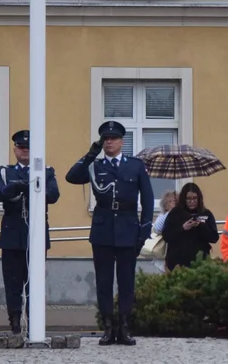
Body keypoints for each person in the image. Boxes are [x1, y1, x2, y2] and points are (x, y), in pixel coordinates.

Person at [65, 120, 154, 346]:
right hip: (103, 229)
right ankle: (107, 327)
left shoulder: (135, 166)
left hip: (127, 228)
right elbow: (72, 177)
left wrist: (143, 232)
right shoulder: (95, 166)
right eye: (105, 139)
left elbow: (147, 199)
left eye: (113, 139)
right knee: (104, 281)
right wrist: (90, 153)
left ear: (121, 141)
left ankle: (124, 328)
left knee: (126, 281)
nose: (109, 142)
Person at [0, 129, 60, 335]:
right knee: (12, 282)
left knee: (35, 283)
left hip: (36, 234)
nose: (25, 152)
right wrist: (16, 187)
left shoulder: (45, 171)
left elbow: (53, 194)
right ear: (15, 150)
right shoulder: (6, 171)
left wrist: (31, 188)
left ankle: (34, 322)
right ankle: (14, 321)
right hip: (12, 234)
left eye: (28, 148)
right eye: (21, 148)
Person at [160, 183, 218, 271]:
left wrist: (201, 225)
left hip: (201, 263)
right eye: (188, 199)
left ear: (199, 198)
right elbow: (166, 236)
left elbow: (214, 238)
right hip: (178, 263)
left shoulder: (206, 213)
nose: (192, 201)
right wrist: (182, 228)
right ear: (184, 199)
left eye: (194, 198)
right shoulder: (175, 213)